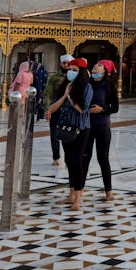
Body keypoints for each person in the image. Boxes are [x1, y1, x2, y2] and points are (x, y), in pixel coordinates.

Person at [45, 57, 92, 210]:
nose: (71, 72)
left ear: (82, 72)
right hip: (66, 128)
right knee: (69, 161)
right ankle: (71, 194)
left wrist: (70, 96)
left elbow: (81, 109)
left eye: (74, 70)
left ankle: (78, 198)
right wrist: (65, 94)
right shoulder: (66, 86)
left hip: (80, 129)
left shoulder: (87, 88)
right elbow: (54, 106)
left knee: (77, 162)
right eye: (70, 70)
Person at [84, 59, 119, 201]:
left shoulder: (109, 86)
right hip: (87, 125)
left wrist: (102, 109)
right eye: (94, 66)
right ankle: (78, 189)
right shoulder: (88, 84)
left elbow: (115, 108)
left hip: (102, 126)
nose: (95, 68)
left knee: (102, 158)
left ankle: (108, 191)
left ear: (105, 71)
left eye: (99, 66)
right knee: (84, 158)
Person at [43, 54, 73, 166]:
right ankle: (56, 157)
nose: (66, 65)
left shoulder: (75, 77)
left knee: (68, 134)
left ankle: (68, 158)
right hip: (56, 108)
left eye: (68, 63)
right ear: (60, 64)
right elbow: (47, 94)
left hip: (69, 110)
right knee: (54, 134)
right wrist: (47, 109)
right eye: (64, 63)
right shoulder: (54, 78)